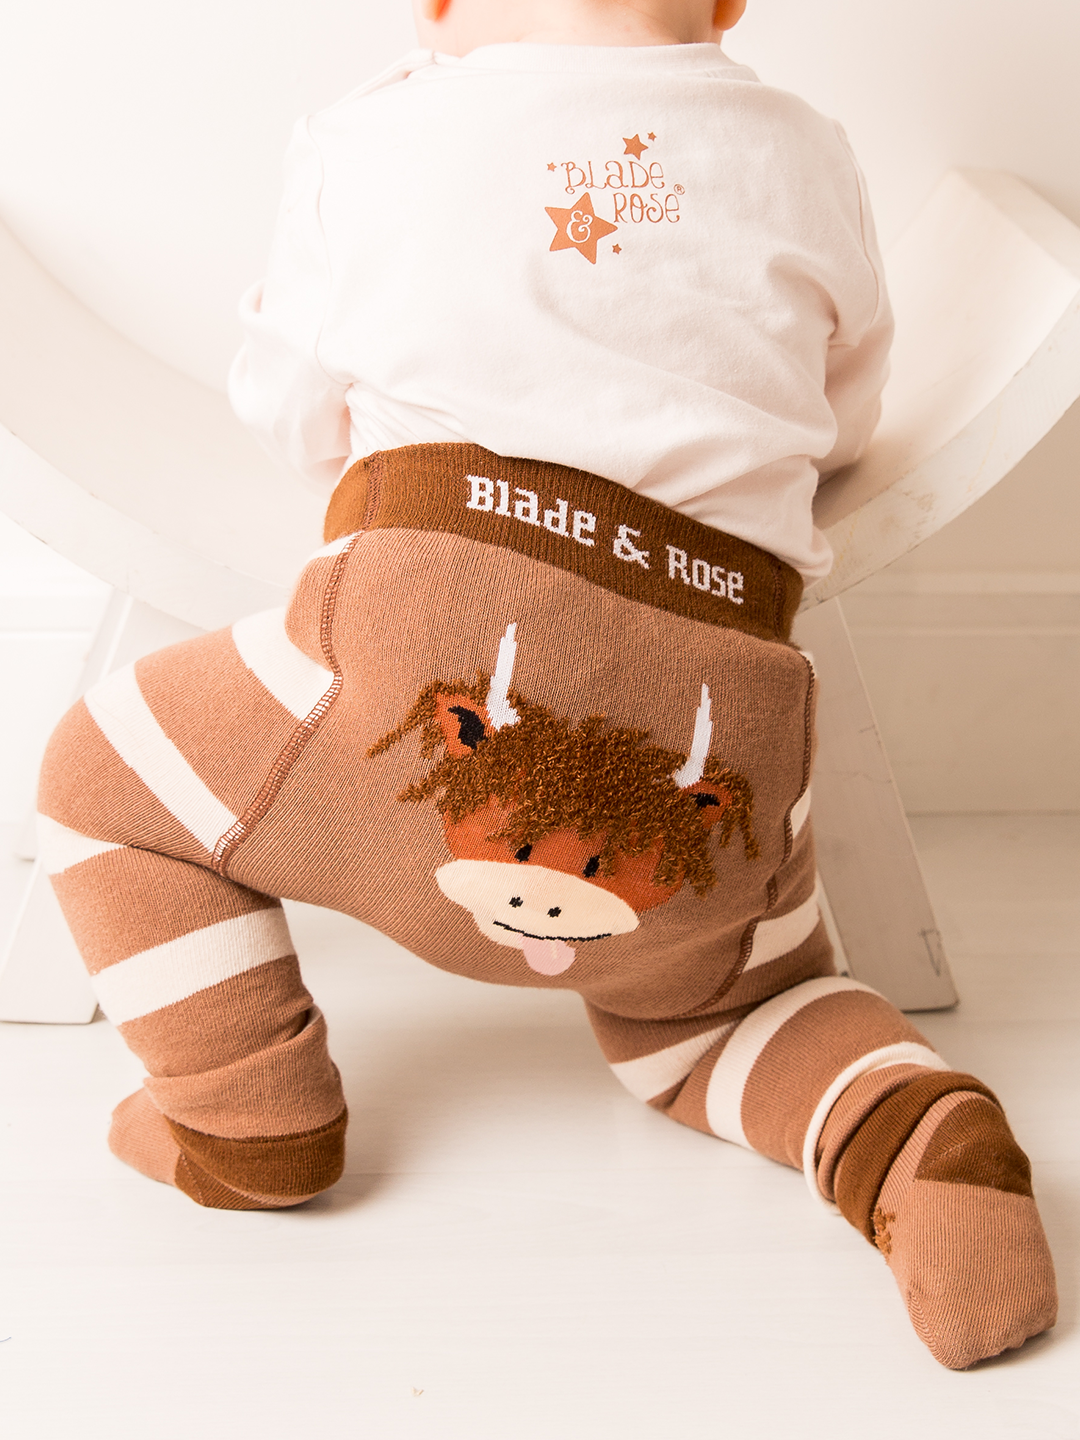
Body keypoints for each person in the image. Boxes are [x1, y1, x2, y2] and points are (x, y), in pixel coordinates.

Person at [37, 0, 1056, 1370]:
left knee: (102, 781)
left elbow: (287, 409)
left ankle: (245, 1117)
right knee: (731, 1019)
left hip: (428, 674)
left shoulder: (374, 133)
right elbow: (843, 417)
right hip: (723, 732)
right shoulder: (805, 151)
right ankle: (910, 1132)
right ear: (728, 3)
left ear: (439, 3)